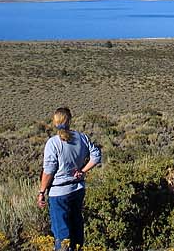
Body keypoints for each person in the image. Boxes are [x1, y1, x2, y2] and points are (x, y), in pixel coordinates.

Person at [39, 107, 102, 249]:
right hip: (78, 189)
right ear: (70, 121)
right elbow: (96, 157)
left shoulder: (53, 143)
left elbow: (48, 171)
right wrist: (82, 171)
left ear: (55, 123)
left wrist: (42, 192)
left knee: (62, 233)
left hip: (59, 193)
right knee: (76, 227)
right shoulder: (82, 138)